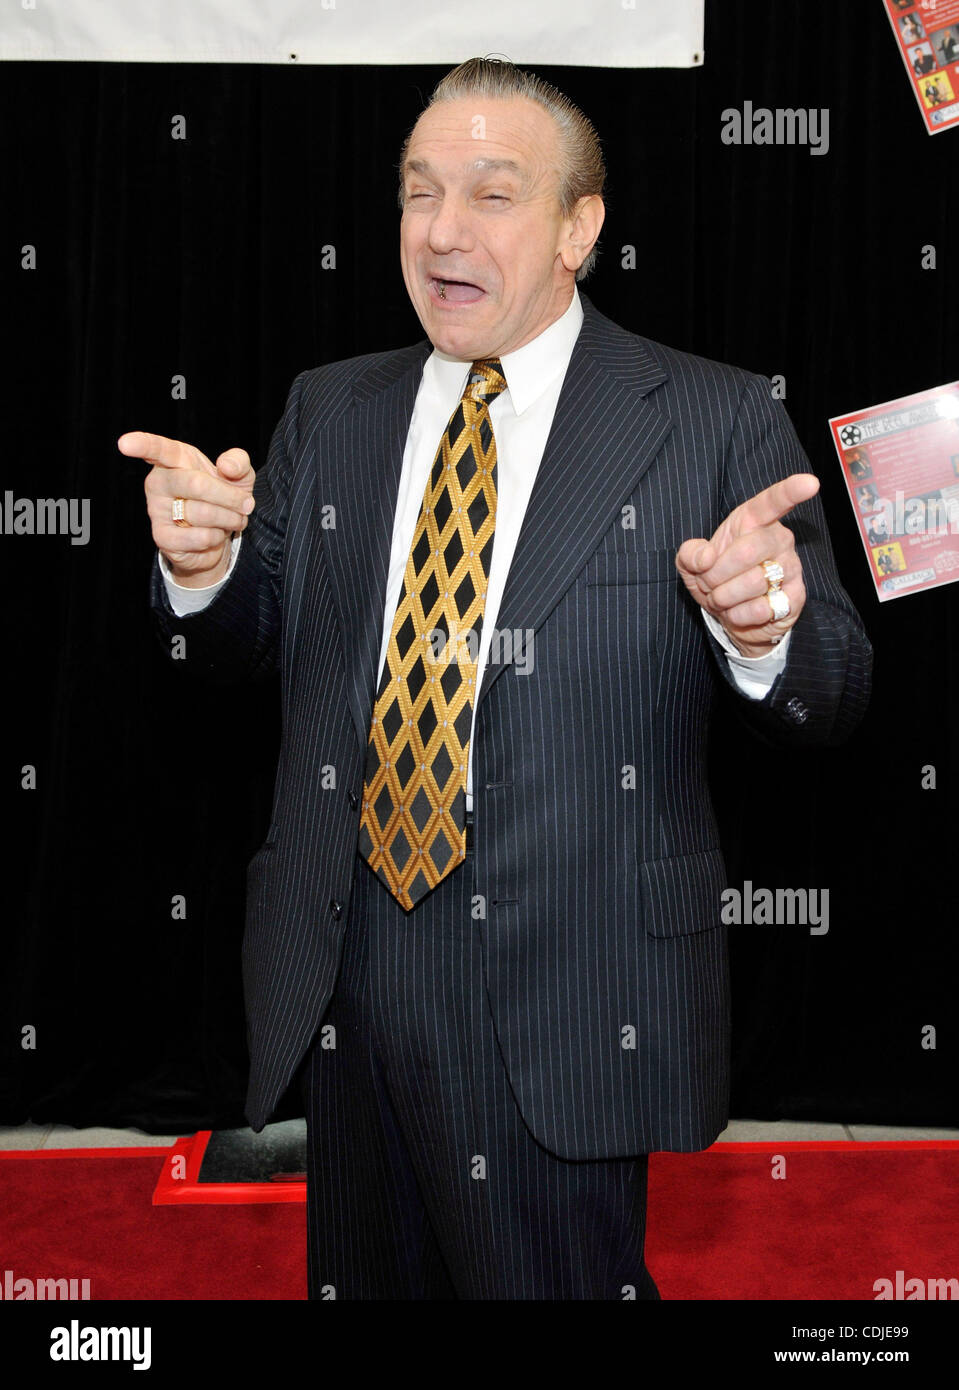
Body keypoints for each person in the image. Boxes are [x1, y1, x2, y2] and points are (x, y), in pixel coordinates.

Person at [118, 57, 872, 1300]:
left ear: (578, 228)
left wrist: (762, 629)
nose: (439, 231)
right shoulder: (329, 409)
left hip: (571, 987)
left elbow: (831, 691)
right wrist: (201, 573)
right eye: (419, 192)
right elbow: (245, 645)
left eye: (490, 193)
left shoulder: (709, 417)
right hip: (349, 963)